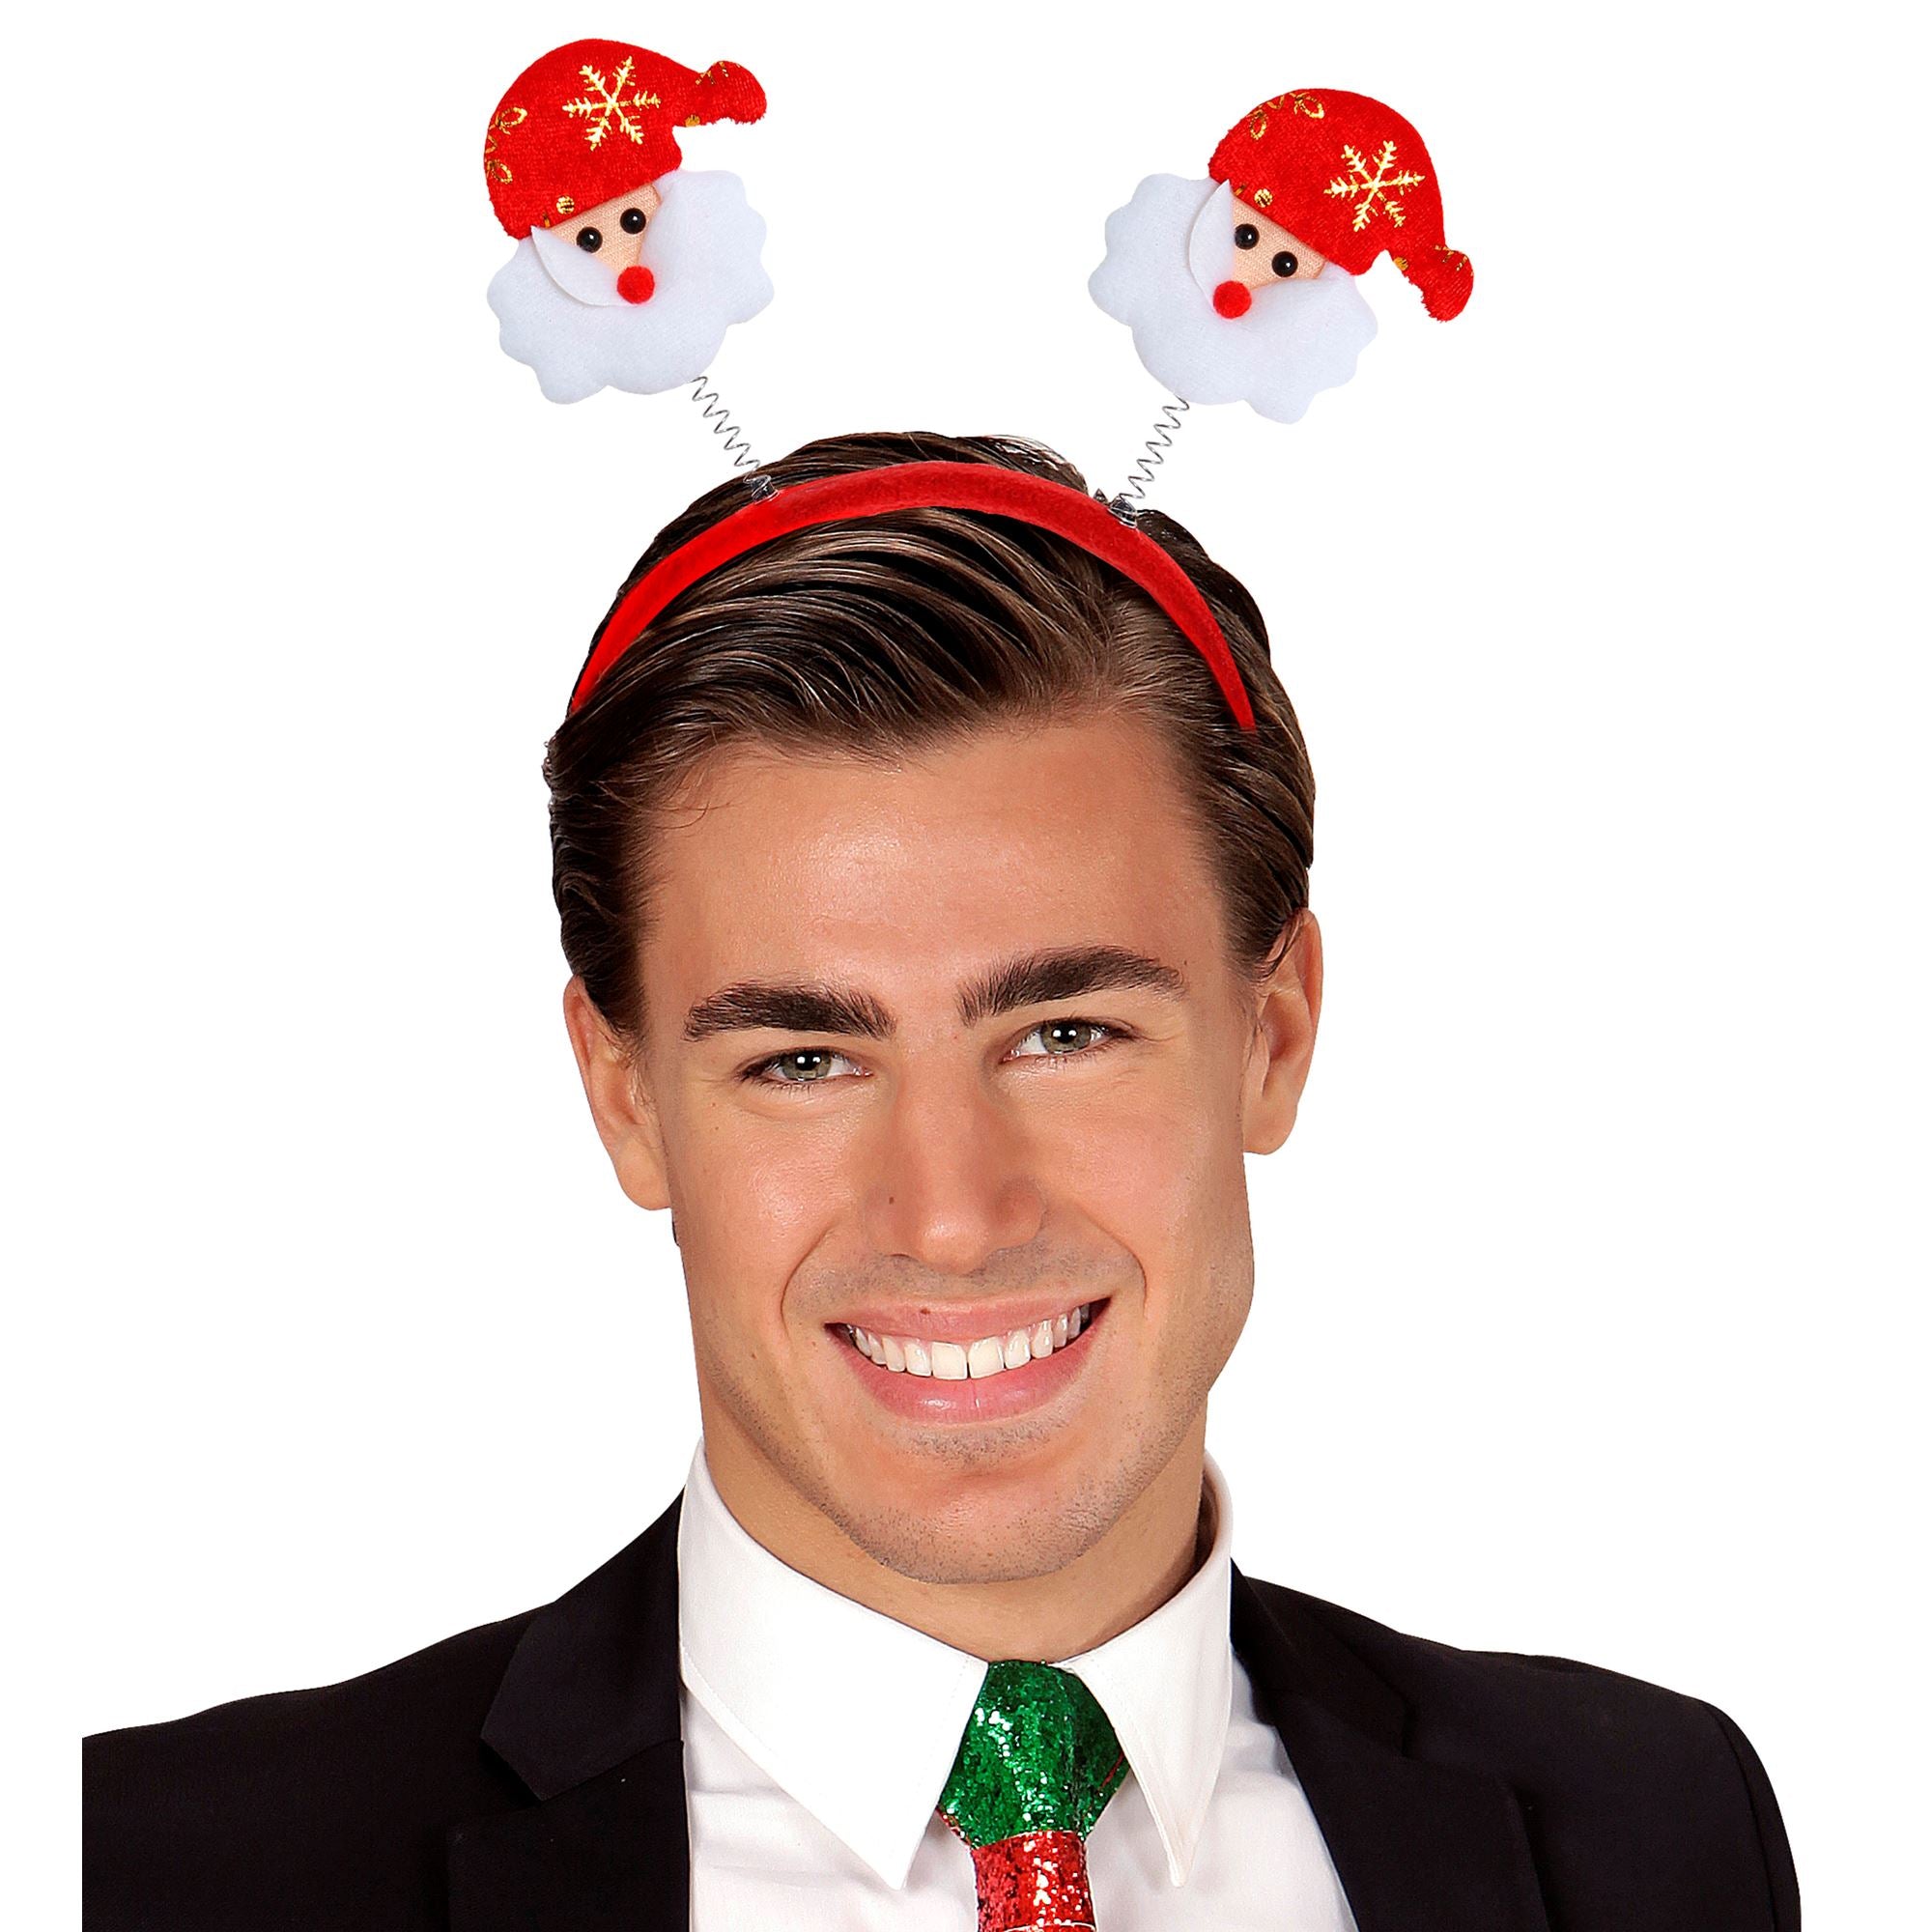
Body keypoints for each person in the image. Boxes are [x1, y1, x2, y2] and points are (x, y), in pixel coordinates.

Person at [81, 429, 1800, 1930]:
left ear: (1273, 1034)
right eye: (802, 1061)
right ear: (625, 1098)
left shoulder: (1654, 1832)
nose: (954, 1216)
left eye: (1065, 1033)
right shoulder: (161, 1874)